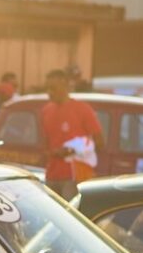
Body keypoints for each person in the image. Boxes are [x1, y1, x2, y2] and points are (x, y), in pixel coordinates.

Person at [38, 68, 101, 198]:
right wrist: (50, 153)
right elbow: (45, 143)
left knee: (69, 213)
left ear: (65, 86)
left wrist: (73, 150)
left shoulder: (82, 109)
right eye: (47, 88)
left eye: (53, 88)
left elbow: (99, 142)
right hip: (52, 175)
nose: (49, 92)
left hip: (74, 175)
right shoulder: (46, 111)